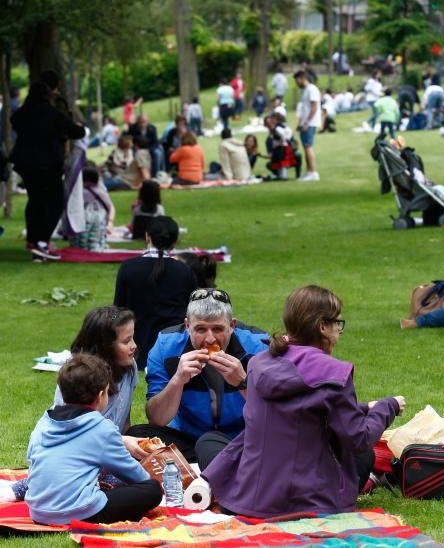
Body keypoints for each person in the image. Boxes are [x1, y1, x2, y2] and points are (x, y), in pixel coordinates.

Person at [202, 285, 405, 517]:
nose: (340, 331)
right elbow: (358, 439)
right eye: (338, 323)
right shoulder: (333, 372)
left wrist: (364, 407)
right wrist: (387, 407)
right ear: (322, 327)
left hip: (249, 497)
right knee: (363, 454)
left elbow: (297, 412)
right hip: (307, 501)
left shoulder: (259, 363)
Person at [0, 305, 151, 505]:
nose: (134, 345)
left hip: (107, 449)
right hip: (76, 453)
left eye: (133, 337)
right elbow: (67, 436)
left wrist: (127, 444)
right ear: (105, 345)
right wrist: (121, 443)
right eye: (126, 341)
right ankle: (26, 487)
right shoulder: (77, 377)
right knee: (144, 485)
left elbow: (125, 416)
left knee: (141, 467)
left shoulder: (129, 367)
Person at [127, 288, 268, 465]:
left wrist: (243, 383)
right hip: (190, 438)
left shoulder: (259, 347)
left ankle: (203, 468)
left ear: (232, 325)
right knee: (137, 434)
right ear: (187, 326)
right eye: (201, 329)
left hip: (242, 439)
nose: (210, 339)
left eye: (218, 329)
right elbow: (157, 419)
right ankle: (223, 467)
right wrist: (178, 380)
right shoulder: (166, 346)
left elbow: (274, 415)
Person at [25, 353, 161, 524]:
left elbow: (32, 460)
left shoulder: (44, 422)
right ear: (100, 395)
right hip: (79, 511)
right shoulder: (101, 428)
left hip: (38, 512)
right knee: (152, 489)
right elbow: (137, 475)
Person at [10, 82, 86, 262]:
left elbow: (13, 121)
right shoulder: (52, 114)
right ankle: (42, 241)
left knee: (36, 201)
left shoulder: (22, 113)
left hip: (26, 164)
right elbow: (77, 132)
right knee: (55, 202)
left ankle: (34, 240)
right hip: (48, 164)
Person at [114, 216, 196, 369]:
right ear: (174, 241)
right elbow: (193, 312)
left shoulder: (128, 268)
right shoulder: (183, 271)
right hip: (173, 350)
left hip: (137, 350)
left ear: (147, 236)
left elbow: (117, 311)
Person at [70, 165, 115, 251]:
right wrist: (110, 222)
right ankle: (99, 245)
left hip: (82, 222)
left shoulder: (80, 192)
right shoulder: (101, 192)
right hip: (100, 221)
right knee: (96, 236)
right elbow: (109, 206)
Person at [294, 69, 321, 181]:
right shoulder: (305, 91)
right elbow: (304, 109)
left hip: (310, 123)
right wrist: (300, 123)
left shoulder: (312, 89)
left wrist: (306, 122)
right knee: (306, 147)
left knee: (308, 146)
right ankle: (309, 171)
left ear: (302, 78)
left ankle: (313, 172)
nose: (296, 84)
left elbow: (314, 107)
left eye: (297, 81)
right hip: (305, 123)